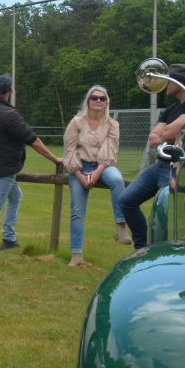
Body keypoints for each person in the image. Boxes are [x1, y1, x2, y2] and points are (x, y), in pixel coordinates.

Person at [0, 73, 63, 249]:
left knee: (16, 196)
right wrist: (55, 159)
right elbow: (33, 141)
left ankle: (8, 238)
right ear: (10, 90)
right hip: (5, 169)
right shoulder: (9, 114)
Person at [117, 63, 185, 250]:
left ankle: (167, 252)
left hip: (176, 169)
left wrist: (166, 133)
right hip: (159, 166)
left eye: (169, 80)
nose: (164, 83)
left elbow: (167, 132)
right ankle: (142, 248)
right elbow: (153, 138)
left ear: (180, 82)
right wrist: (167, 134)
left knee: (166, 213)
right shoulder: (171, 109)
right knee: (126, 201)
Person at [63, 85, 130, 267]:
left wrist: (98, 171)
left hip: (103, 165)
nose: (98, 101)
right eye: (95, 98)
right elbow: (69, 150)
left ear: (107, 102)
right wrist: (80, 175)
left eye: (102, 98)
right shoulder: (76, 122)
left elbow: (109, 150)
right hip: (79, 166)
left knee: (117, 179)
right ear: (88, 101)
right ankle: (76, 256)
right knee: (77, 211)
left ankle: (120, 226)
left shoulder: (112, 124)